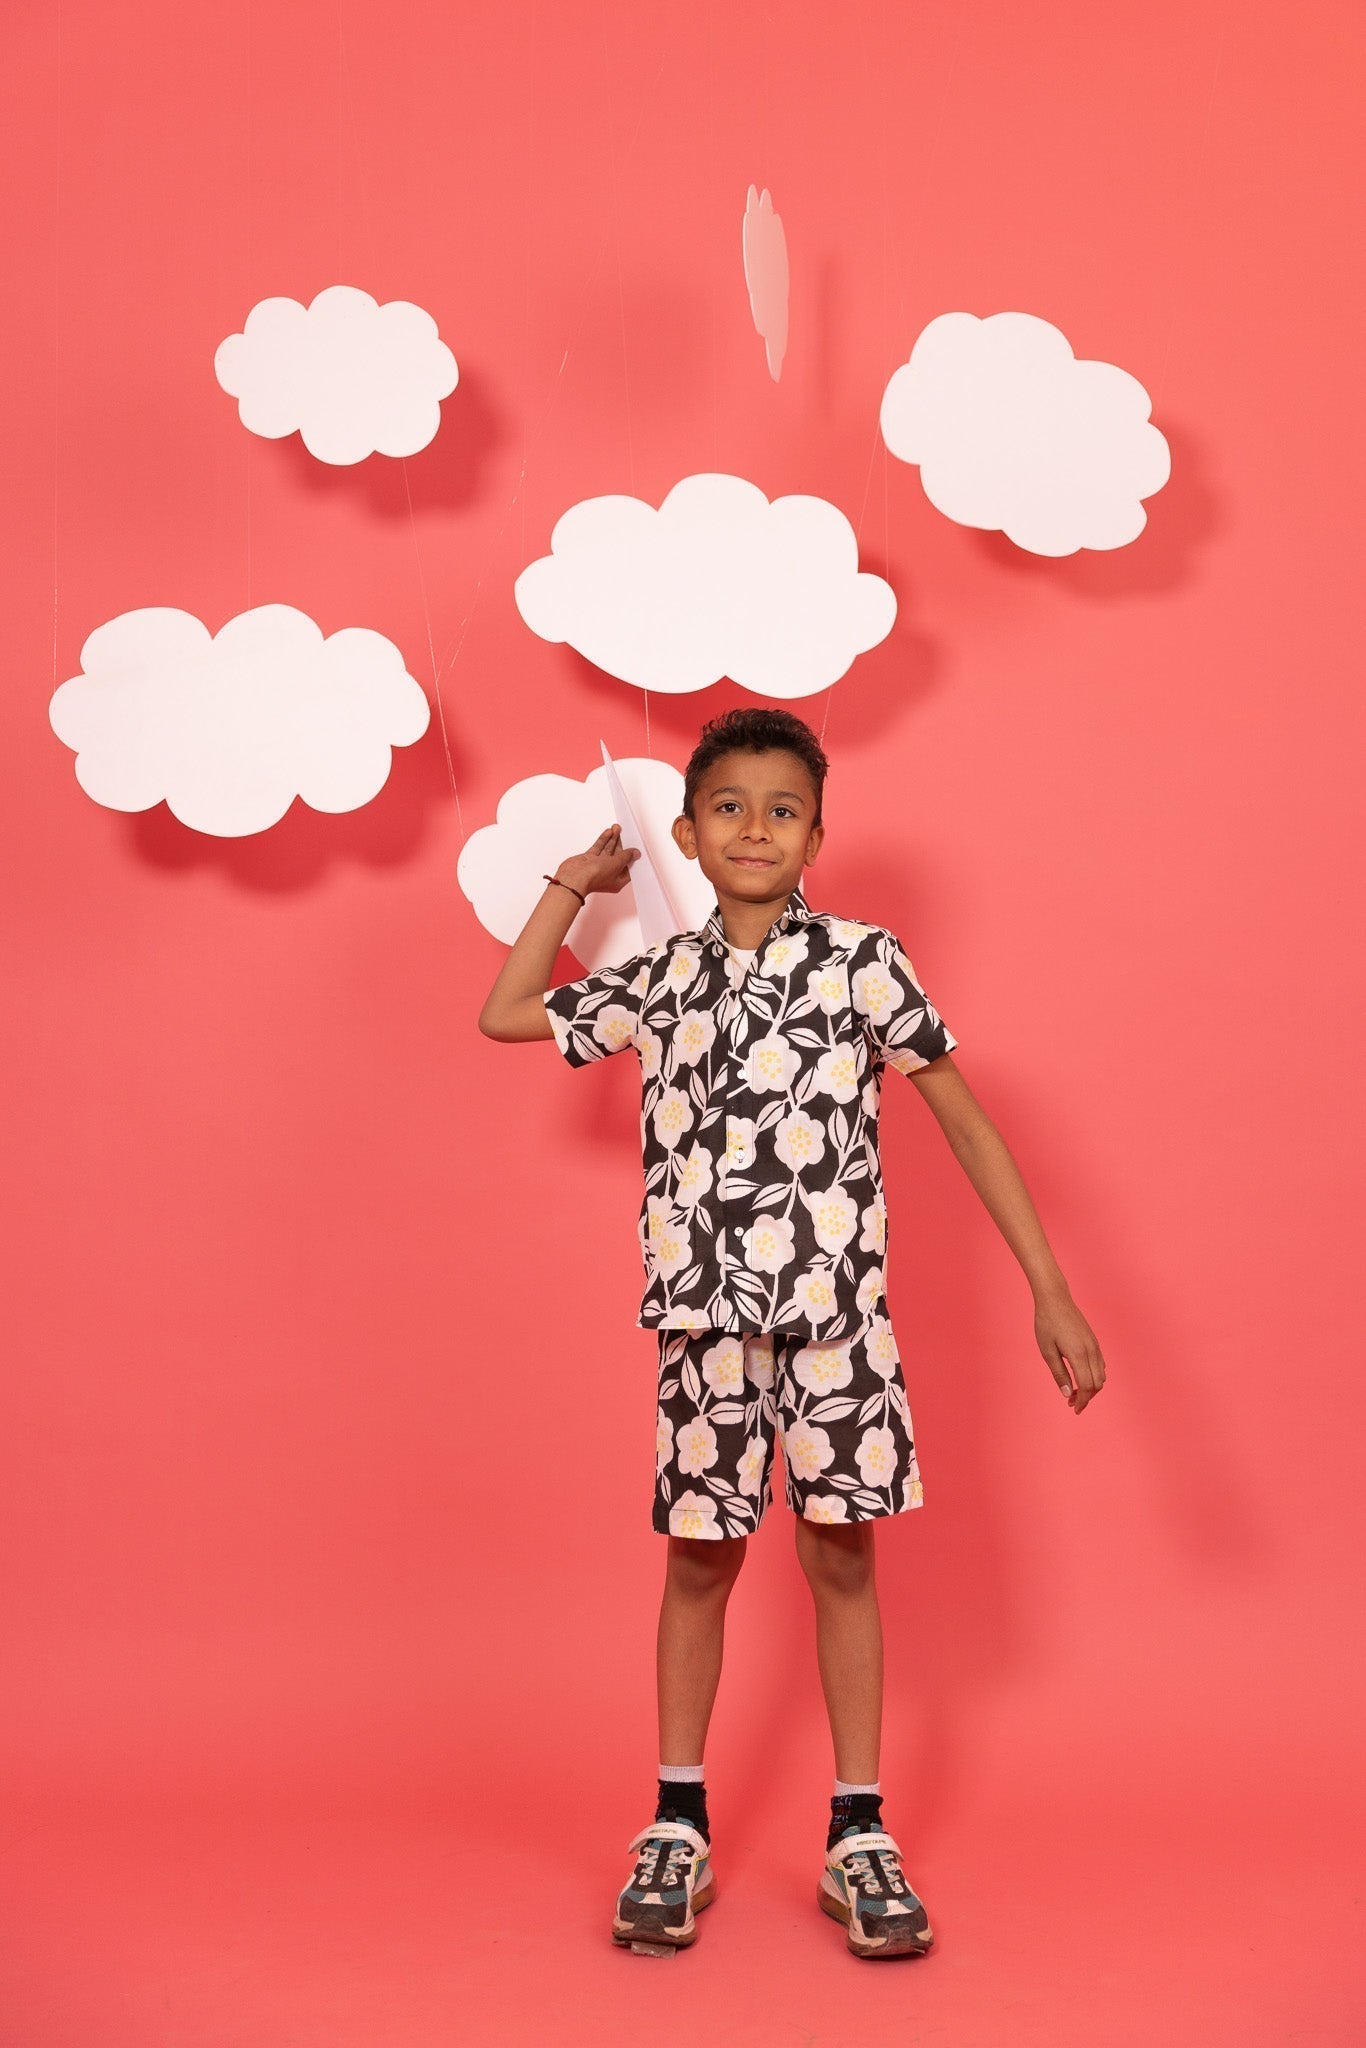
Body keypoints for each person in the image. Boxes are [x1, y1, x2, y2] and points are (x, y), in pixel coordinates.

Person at [477, 705, 1106, 1961]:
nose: (754, 828)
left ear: (816, 835)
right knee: (698, 1560)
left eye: (782, 810)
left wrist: (1048, 1283)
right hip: (704, 1325)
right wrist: (575, 882)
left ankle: (857, 1829)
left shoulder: (865, 961)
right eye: (727, 807)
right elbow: (506, 1012)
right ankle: (677, 1820)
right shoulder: (661, 978)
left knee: (842, 1556)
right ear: (688, 836)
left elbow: (962, 1117)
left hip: (837, 1327)